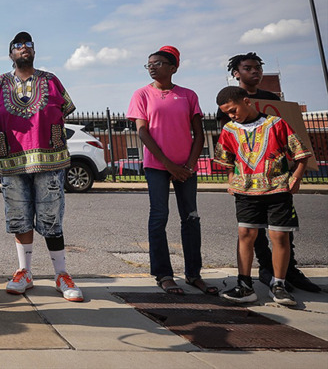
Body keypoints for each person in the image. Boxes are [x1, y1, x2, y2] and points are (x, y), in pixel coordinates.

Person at [0, 31, 83, 302]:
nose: (24, 48)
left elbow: (65, 109)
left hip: (49, 161)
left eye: (29, 45)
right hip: (13, 162)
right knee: (19, 218)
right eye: (18, 45)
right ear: (10, 54)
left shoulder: (50, 80)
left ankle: (61, 274)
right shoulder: (0, 83)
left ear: (34, 51)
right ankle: (24, 272)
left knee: (51, 218)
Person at [215, 53, 319, 294]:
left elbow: (297, 146)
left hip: (276, 182)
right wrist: (232, 179)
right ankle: (262, 272)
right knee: (250, 232)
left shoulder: (271, 104)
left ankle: (286, 275)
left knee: (281, 234)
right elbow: (229, 150)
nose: (255, 72)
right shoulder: (229, 112)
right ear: (236, 73)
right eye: (248, 68)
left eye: (258, 68)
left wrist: (295, 174)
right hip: (248, 185)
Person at [127, 46, 216, 296]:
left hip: (186, 168)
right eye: (149, 64)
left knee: (191, 218)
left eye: (157, 63)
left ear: (173, 67)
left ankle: (194, 274)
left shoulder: (188, 95)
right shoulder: (142, 94)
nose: (152, 67)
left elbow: (198, 133)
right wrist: (168, 164)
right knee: (159, 217)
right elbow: (142, 131)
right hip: (157, 166)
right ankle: (164, 274)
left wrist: (188, 165)